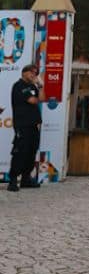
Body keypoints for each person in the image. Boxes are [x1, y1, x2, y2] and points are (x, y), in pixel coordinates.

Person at [7, 64, 42, 192]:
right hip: (22, 125)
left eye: (36, 73)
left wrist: (40, 86)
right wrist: (37, 95)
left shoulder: (33, 86)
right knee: (20, 152)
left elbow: (42, 98)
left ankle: (25, 179)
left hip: (34, 125)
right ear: (24, 72)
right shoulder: (19, 86)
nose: (34, 75)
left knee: (31, 152)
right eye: (32, 72)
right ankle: (13, 180)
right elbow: (33, 100)